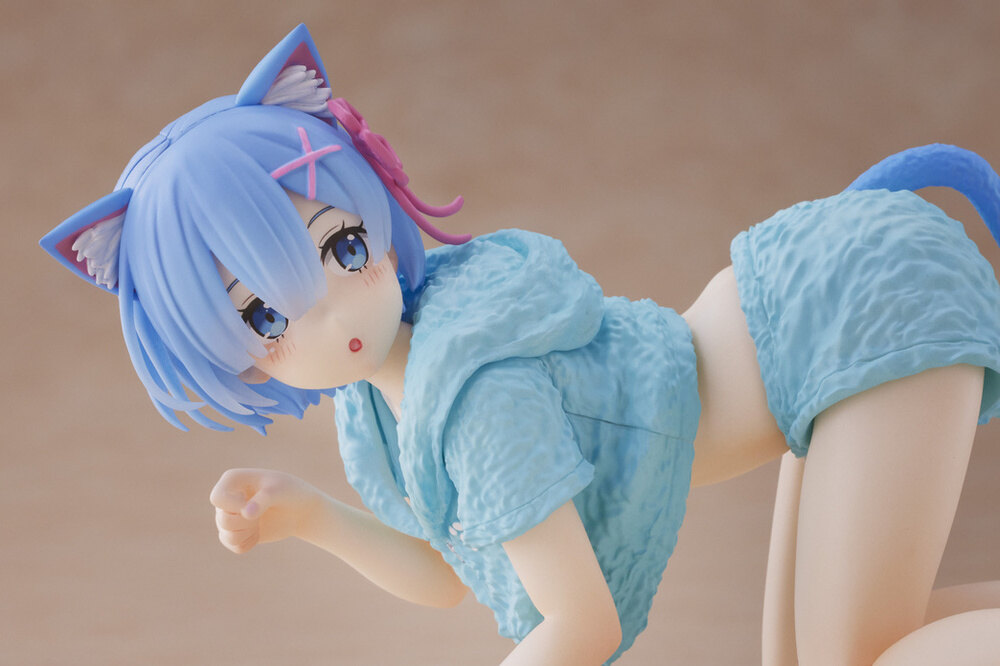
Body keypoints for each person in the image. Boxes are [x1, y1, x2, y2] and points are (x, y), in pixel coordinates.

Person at [41, 24, 1000, 665]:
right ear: (232, 354)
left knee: (857, 657)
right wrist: (310, 517)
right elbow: (453, 573)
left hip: (853, 302)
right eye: (266, 318)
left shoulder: (474, 385)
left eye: (343, 247)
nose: (337, 314)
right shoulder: (382, 409)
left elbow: (582, 625)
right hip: (804, 339)